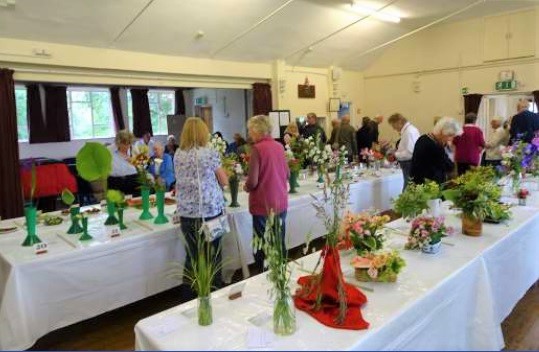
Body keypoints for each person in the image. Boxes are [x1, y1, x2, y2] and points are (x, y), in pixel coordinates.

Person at [174, 117, 229, 288]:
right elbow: (224, 180)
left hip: (186, 212)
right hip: (209, 211)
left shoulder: (178, 154)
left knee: (192, 257)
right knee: (214, 255)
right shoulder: (209, 152)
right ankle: (214, 294)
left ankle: (188, 298)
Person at [243, 115, 289, 272]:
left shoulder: (257, 149)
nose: (249, 134)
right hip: (280, 201)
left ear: (257, 130)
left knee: (261, 243)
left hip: (263, 203)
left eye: (250, 130)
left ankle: (261, 275)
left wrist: (246, 187)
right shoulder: (279, 146)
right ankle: (281, 273)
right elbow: (287, 173)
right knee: (279, 241)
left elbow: (253, 181)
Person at [411, 117, 461, 185]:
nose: (450, 139)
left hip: (419, 181)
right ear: (441, 132)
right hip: (428, 185)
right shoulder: (435, 146)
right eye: (450, 135)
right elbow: (448, 165)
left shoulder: (423, 138)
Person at [387, 113, 420, 190]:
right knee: (408, 186)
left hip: (409, 163)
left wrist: (395, 155)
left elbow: (410, 153)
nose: (393, 128)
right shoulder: (408, 130)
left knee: (408, 187)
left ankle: (405, 201)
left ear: (398, 122)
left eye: (393, 125)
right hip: (408, 163)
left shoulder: (409, 132)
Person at [108, 130, 140, 196]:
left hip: (133, 179)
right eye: (124, 143)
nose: (127, 146)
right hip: (115, 181)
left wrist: (134, 161)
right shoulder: (109, 150)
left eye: (129, 143)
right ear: (118, 142)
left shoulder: (134, 148)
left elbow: (144, 164)